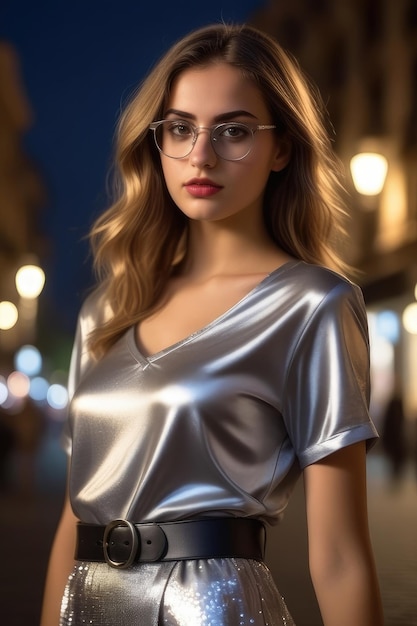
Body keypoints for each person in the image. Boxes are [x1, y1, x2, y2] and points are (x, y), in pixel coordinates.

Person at [41, 23, 384, 626]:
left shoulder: (312, 305)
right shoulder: (110, 308)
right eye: (180, 128)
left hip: (212, 609)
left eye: (234, 130)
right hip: (85, 604)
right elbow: (74, 516)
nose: (201, 155)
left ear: (281, 148)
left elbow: (338, 556)